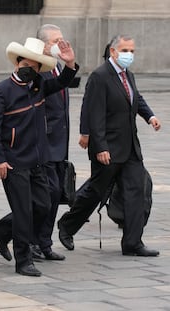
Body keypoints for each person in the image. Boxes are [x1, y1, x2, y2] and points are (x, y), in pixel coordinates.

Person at [57, 34, 161, 257]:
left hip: (130, 147)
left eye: (132, 51)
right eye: (125, 50)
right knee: (96, 191)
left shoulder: (128, 75)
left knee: (136, 192)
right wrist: (101, 146)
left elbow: (136, 99)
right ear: (113, 52)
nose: (129, 55)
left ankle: (133, 243)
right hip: (108, 149)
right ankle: (67, 225)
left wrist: (150, 116)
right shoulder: (100, 76)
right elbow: (95, 114)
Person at [0, 37, 78, 276]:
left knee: (43, 205)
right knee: (24, 211)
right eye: (28, 64)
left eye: (37, 67)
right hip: (13, 162)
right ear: (17, 63)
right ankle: (23, 260)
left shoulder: (39, 87)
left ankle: (2, 230)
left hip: (38, 160)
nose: (32, 70)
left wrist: (70, 63)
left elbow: (62, 82)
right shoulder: (1, 90)